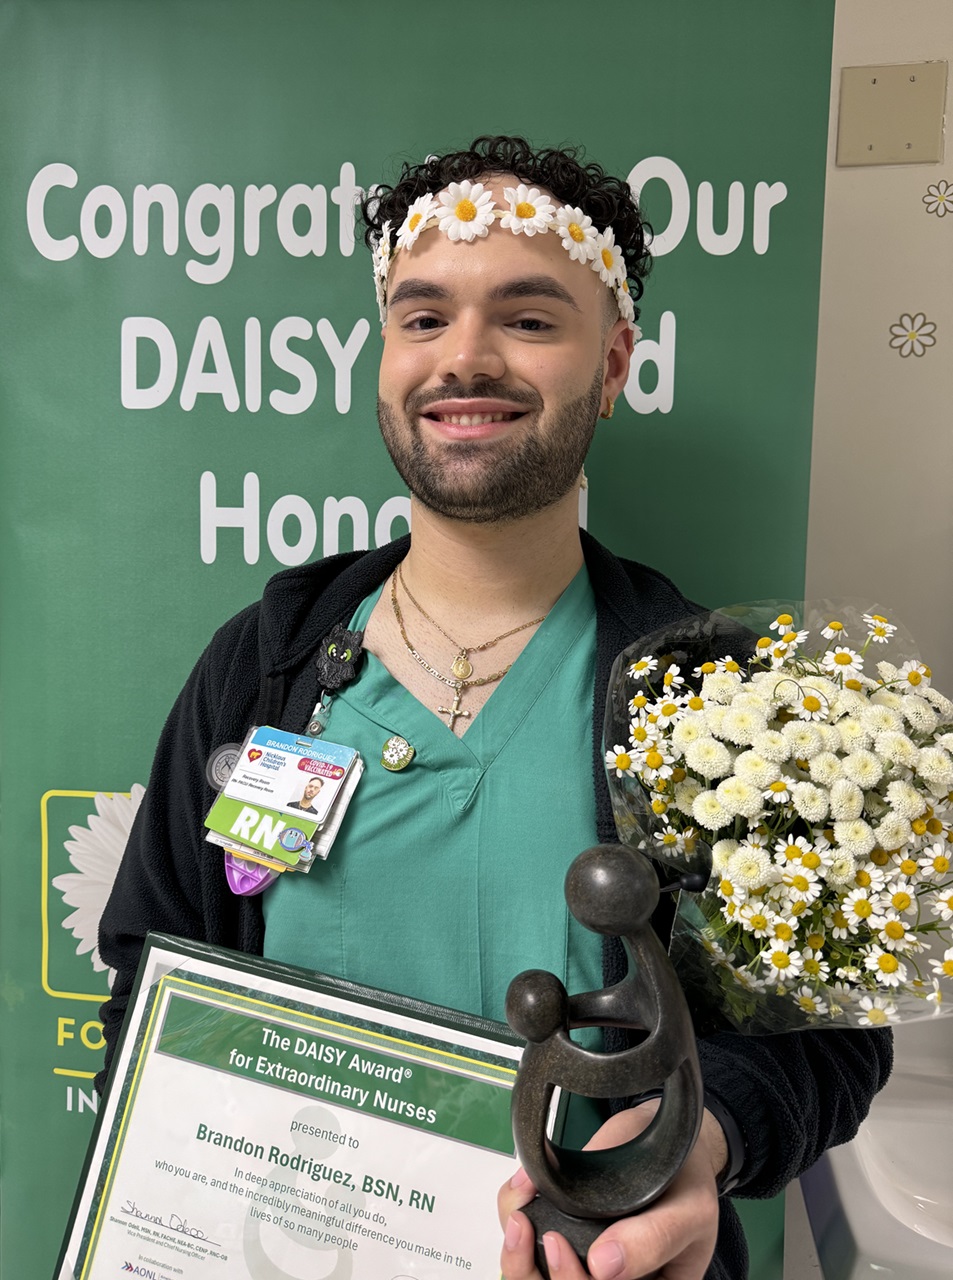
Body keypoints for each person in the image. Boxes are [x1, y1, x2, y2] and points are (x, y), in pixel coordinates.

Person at [98, 136, 891, 1280]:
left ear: (612, 364)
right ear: (383, 358)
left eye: (526, 318)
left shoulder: (722, 704)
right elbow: (149, 963)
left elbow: (822, 1039)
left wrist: (694, 1141)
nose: (462, 359)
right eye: (422, 319)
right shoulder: (263, 664)